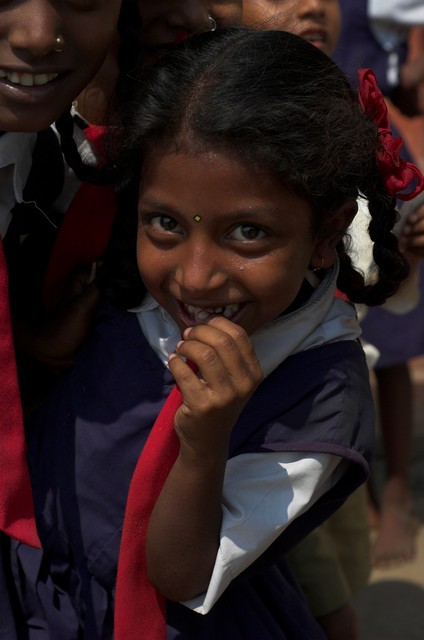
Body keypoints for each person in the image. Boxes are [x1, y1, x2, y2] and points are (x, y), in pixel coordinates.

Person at [10, 27, 418, 639]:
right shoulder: (129, 282)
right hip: (33, 582)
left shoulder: (320, 397)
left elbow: (179, 576)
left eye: (248, 233)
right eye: (166, 223)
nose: (195, 277)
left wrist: (204, 444)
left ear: (328, 233)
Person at [334, 0, 424, 569]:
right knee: (335, 336)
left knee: (390, 338)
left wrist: (399, 74)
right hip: (304, 171)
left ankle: (396, 493)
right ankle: (355, 490)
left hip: (379, 172)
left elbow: (409, 95)